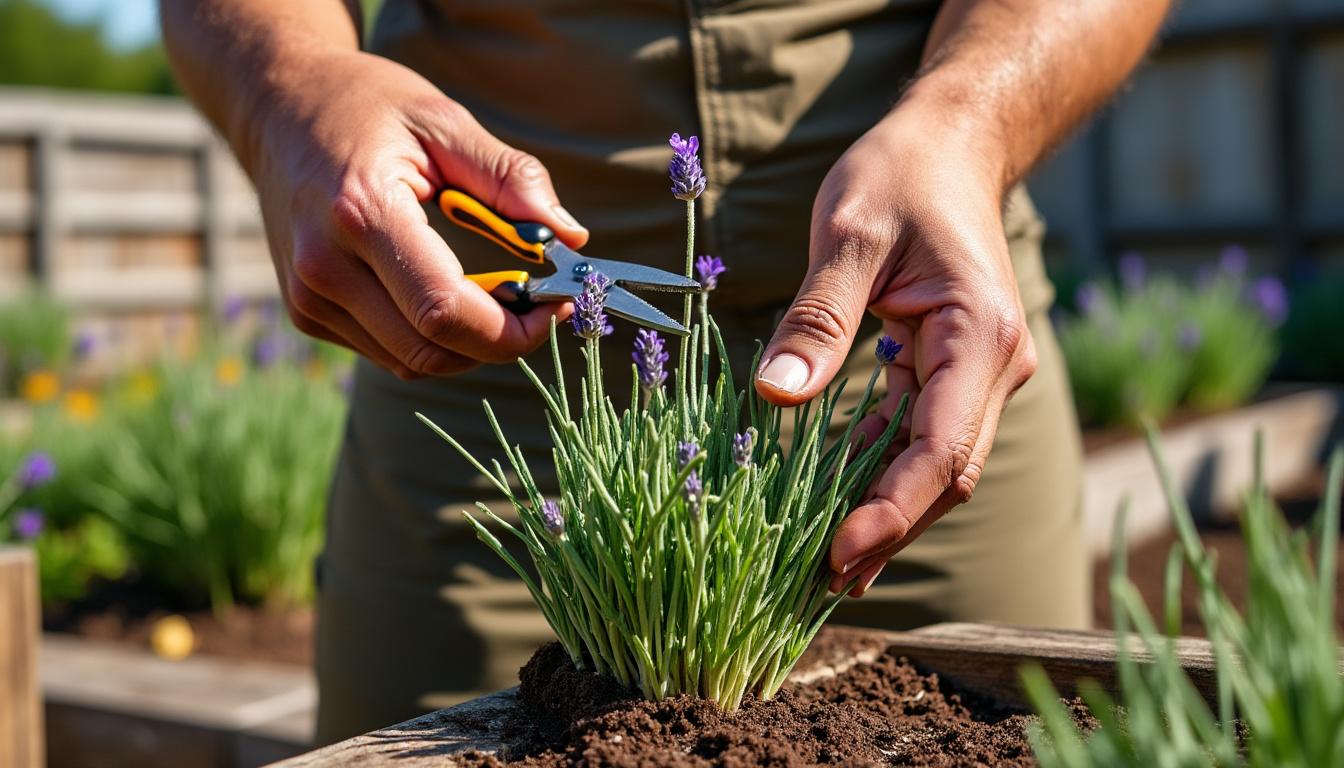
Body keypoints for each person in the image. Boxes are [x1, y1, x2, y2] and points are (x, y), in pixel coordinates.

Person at [162, 0, 1171, 743]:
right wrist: (292, 89)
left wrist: (972, 119)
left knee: (1006, 721)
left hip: (911, 346)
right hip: (488, 346)